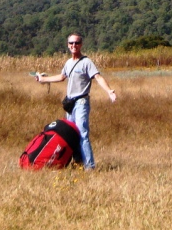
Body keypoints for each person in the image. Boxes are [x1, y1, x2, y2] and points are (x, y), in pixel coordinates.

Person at [34, 33, 117, 170]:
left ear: (81, 45)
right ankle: (77, 163)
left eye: (77, 43)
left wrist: (109, 91)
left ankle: (90, 167)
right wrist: (43, 79)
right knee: (72, 134)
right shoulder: (68, 63)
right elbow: (61, 77)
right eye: (71, 43)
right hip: (70, 104)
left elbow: (98, 77)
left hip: (81, 102)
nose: (74, 45)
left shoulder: (86, 62)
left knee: (83, 133)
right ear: (68, 45)